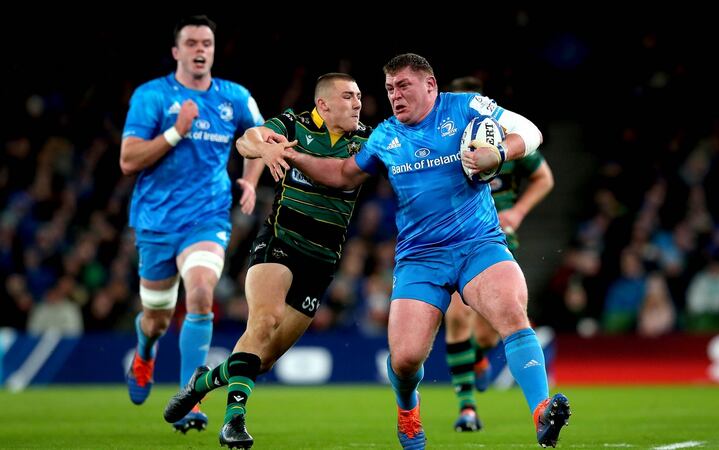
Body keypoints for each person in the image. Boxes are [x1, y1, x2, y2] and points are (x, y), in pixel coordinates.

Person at [278, 54, 571, 448]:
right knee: (405, 359)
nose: (394, 96)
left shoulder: (465, 106)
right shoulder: (384, 135)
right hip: (420, 258)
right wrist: (295, 155)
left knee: (512, 313)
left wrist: (498, 153)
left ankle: (541, 411)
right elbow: (345, 174)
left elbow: (529, 131)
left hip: (477, 244)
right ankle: (408, 411)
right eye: (389, 89)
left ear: (430, 85)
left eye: (403, 86)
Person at [163, 73, 371, 449]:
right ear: (323, 105)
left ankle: (203, 381)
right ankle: (234, 422)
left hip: (323, 259)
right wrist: (266, 149)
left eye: (359, 96)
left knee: (264, 358)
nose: (358, 103)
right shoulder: (295, 124)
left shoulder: (368, 139)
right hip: (279, 242)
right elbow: (247, 139)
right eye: (348, 96)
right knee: (264, 322)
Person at [120, 14, 264, 433]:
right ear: (176, 52)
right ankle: (145, 350)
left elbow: (258, 141)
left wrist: (250, 180)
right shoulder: (152, 96)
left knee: (201, 292)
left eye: (207, 44)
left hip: (207, 216)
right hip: (156, 221)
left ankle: (192, 396)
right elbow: (128, 160)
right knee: (157, 318)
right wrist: (175, 132)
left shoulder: (234, 96)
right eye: (192, 43)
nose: (201, 50)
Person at [443, 76, 555, 432]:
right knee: (458, 317)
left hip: (498, 239)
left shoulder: (506, 142)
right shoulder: (443, 144)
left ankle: (477, 359)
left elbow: (545, 179)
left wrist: (518, 212)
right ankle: (467, 408)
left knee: (491, 333)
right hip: (457, 241)